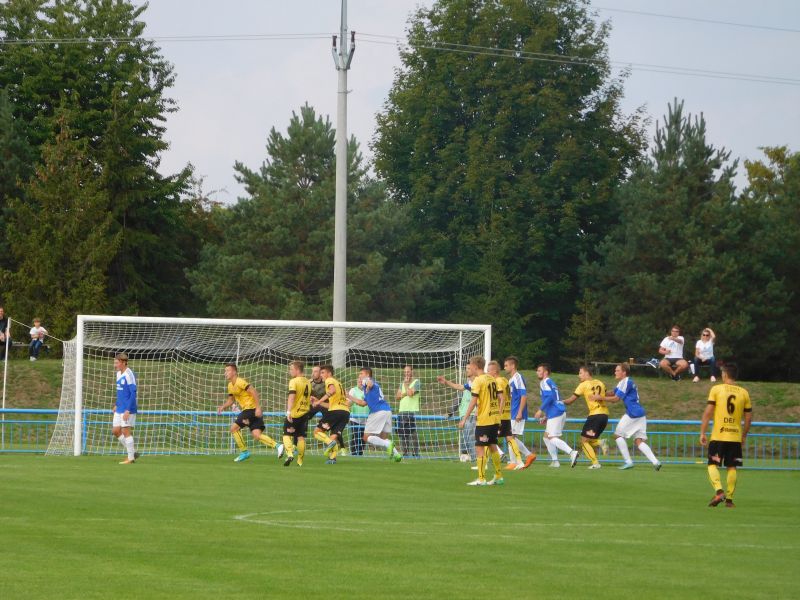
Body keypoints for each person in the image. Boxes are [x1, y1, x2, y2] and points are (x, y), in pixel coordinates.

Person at [700, 363, 752, 508]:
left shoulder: (716, 389)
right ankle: (729, 500)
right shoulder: (744, 392)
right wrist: (744, 436)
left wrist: (702, 432)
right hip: (735, 437)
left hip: (719, 436)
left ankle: (719, 491)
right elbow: (748, 418)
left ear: (725, 375)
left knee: (712, 465)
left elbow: (708, 412)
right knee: (732, 467)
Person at [597, 362, 661, 470]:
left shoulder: (626, 382)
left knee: (618, 435)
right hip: (640, 413)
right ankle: (656, 462)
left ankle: (628, 462)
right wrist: (601, 392)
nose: (615, 372)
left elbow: (616, 399)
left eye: (617, 370)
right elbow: (613, 393)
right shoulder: (624, 382)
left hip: (633, 413)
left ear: (624, 373)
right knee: (638, 441)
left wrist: (599, 398)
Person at [217, 363, 280, 462]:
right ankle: (278, 446)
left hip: (250, 409)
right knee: (256, 434)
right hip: (252, 411)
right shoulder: (230, 385)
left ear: (234, 372)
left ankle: (244, 452)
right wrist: (223, 406)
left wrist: (258, 407)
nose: (225, 373)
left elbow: (254, 391)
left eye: (228, 370)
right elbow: (231, 400)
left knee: (233, 429)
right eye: (225, 371)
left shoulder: (240, 381)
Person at [458, 355, 504, 486]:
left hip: (485, 419)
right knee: (492, 446)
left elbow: (473, 401)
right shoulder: (492, 379)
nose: (469, 368)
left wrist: (465, 418)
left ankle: (481, 478)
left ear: (475, 366)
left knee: (479, 447)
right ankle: (498, 476)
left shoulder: (478, 380)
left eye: (470, 366)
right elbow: (499, 398)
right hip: (494, 418)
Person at [348, 367, 402, 461]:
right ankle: (396, 454)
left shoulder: (368, 381)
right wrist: (349, 396)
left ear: (367, 375)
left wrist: (368, 385)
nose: (359, 376)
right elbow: (363, 403)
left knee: (366, 437)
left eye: (361, 374)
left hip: (377, 412)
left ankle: (389, 445)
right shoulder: (371, 389)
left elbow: (370, 383)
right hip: (387, 411)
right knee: (383, 438)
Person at [563, 365, 609, 469]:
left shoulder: (583, 384)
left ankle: (595, 463)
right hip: (604, 416)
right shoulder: (600, 383)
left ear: (587, 373)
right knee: (589, 439)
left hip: (595, 416)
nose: (578, 375)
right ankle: (601, 442)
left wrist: (560, 402)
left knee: (584, 441)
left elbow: (570, 401)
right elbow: (604, 394)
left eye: (580, 373)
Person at [534, 363, 579, 468]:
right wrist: (547, 416)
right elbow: (554, 398)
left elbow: (550, 397)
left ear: (545, 372)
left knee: (551, 437)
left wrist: (540, 410)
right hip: (560, 411)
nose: (537, 372)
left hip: (556, 412)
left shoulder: (544, 382)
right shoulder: (551, 382)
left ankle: (572, 452)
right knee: (546, 437)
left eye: (539, 370)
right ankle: (555, 461)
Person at [487, 360, 523, 471]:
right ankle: (520, 461)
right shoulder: (505, 380)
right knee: (510, 439)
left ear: (494, 371)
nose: (487, 373)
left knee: (488, 439)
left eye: (488, 371)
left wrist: (498, 414)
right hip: (507, 414)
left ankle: (486, 463)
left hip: (500, 415)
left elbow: (501, 398)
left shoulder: (497, 382)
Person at [311, 365, 350, 464]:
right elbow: (330, 404)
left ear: (329, 373)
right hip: (345, 413)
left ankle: (331, 445)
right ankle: (332, 459)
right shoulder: (339, 383)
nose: (321, 375)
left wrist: (319, 401)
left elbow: (332, 391)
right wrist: (318, 401)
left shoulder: (329, 380)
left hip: (335, 412)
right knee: (333, 435)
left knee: (317, 432)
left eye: (323, 372)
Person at [503, 356, 536, 469]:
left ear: (513, 366)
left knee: (510, 437)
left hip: (517, 412)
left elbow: (523, 395)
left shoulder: (518, 377)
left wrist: (520, 412)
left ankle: (514, 462)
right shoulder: (511, 379)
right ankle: (528, 455)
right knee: (511, 437)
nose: (505, 367)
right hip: (512, 411)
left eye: (506, 365)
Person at [279, 360, 312, 467]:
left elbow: (292, 396)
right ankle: (300, 461)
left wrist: (288, 411)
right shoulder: (308, 382)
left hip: (294, 413)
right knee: (301, 437)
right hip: (305, 413)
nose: (290, 371)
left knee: (286, 435)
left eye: (291, 369)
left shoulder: (294, 381)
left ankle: (289, 454)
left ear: (297, 370)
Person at [438, 371, 475, 461]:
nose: (467, 371)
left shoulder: (478, 383)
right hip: (465, 416)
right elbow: (458, 391)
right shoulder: (468, 385)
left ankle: (476, 459)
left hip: (473, 415)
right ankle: (469, 456)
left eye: (469, 369)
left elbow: (475, 400)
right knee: (466, 438)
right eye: (466, 369)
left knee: (474, 438)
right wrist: (450, 412)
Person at [112, 353, 139, 465]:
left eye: (116, 363)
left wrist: (128, 409)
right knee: (116, 431)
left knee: (125, 431)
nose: (115, 365)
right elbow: (121, 392)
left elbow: (133, 393)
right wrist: (117, 404)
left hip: (128, 408)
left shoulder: (129, 374)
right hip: (120, 407)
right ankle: (132, 452)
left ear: (123, 362)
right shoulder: (119, 373)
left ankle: (130, 458)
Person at [396, 365, 421, 458]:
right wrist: (405, 392)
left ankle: (415, 454)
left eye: (408, 372)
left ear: (412, 372)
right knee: (403, 434)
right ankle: (405, 453)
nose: (406, 373)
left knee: (413, 433)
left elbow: (411, 394)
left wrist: (406, 387)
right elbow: (397, 397)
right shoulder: (401, 383)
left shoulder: (416, 382)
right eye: (405, 372)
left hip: (412, 411)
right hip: (402, 411)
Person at [347, 381, 369, 456]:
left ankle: (360, 453)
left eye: (361, 381)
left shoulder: (368, 391)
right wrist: (352, 402)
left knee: (363, 438)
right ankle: (354, 454)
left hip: (366, 419)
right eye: (358, 381)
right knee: (356, 437)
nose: (359, 382)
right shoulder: (353, 390)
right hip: (355, 419)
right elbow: (348, 403)